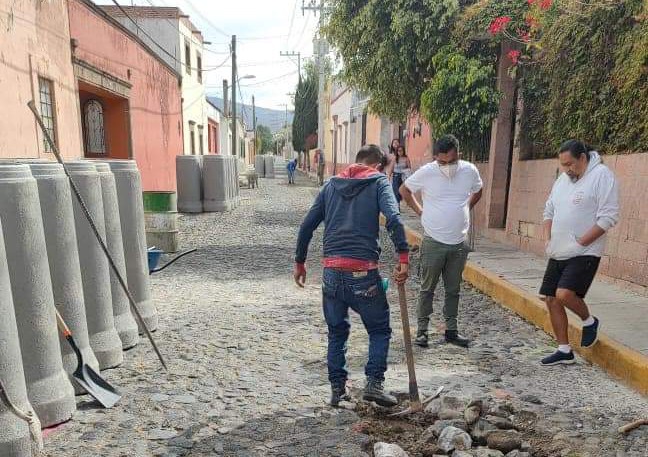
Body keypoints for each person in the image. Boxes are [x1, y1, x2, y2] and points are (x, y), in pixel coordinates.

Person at [294, 144, 410, 407]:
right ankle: (374, 384)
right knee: (379, 329)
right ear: (379, 166)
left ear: (355, 162)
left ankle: (337, 390)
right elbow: (394, 218)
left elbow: (307, 225)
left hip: (332, 272)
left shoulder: (331, 185)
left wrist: (300, 261)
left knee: (337, 331)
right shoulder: (379, 182)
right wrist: (403, 256)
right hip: (363, 273)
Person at [539, 140, 619, 365]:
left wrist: (581, 243)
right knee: (551, 299)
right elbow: (549, 210)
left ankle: (589, 321)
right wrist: (548, 238)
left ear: (583, 158)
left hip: (585, 251)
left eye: (570, 164)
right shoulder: (563, 180)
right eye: (563, 165)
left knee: (564, 294)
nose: (567, 169)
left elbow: (608, 217)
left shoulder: (601, 176)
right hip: (558, 250)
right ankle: (564, 350)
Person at [399, 134, 483, 348]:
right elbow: (404, 190)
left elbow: (478, 190)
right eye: (442, 162)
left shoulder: (469, 171)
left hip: (458, 242)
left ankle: (451, 331)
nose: (447, 166)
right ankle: (422, 331)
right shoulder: (427, 172)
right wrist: (420, 211)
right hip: (434, 241)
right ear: (435, 158)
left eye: (451, 161)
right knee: (427, 288)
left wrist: (466, 208)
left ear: (458, 155)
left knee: (453, 289)